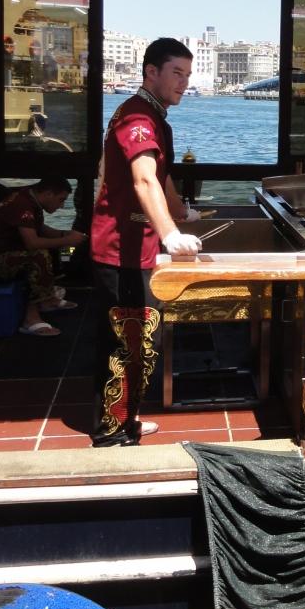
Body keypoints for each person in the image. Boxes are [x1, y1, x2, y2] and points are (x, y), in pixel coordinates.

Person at [89, 37, 203, 447]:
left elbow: (160, 177)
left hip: (139, 247)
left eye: (188, 75)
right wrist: (172, 235)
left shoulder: (153, 116)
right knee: (125, 342)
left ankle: (128, 417)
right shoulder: (137, 116)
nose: (184, 82)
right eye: (176, 73)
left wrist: (181, 212)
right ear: (151, 72)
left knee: (141, 340)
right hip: (120, 250)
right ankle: (110, 433)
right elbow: (143, 179)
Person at [0, 177, 86, 337]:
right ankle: (30, 318)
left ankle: (47, 298)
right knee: (38, 256)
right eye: (61, 200)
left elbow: (40, 229)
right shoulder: (21, 205)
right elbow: (32, 243)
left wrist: (65, 235)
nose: (61, 206)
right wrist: (67, 241)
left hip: (5, 254)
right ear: (48, 194)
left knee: (57, 249)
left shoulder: (29, 197)